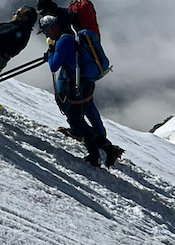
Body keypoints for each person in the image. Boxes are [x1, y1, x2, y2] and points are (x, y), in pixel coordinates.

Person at [40, 14, 122, 167]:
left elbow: (54, 66)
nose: (46, 34)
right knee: (78, 120)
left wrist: (51, 50)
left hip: (75, 86)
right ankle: (103, 150)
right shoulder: (68, 37)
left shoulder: (63, 41)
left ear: (53, 27)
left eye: (46, 31)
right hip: (83, 83)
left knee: (77, 122)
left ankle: (100, 152)